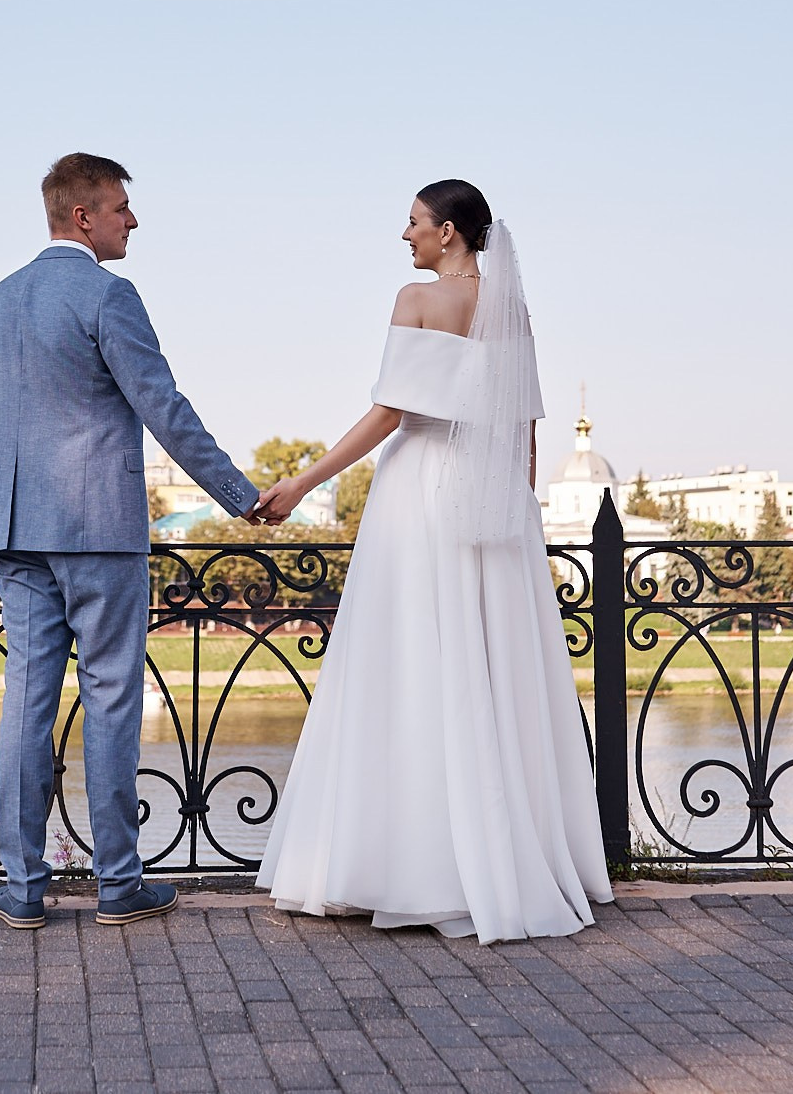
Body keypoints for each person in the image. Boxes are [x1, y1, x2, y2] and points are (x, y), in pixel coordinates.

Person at [251, 180, 613, 942]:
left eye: (414, 221)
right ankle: (506, 858)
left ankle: (396, 861)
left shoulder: (416, 298)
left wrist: (301, 483)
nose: (405, 233)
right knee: (489, 665)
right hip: (494, 494)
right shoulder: (512, 309)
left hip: (419, 490)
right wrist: (517, 508)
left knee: (409, 659)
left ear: (448, 231)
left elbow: (390, 412)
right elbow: (525, 427)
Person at [0, 152, 266, 929]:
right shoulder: (109, 295)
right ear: (83, 216)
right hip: (98, 528)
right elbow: (164, 407)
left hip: (14, 528)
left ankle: (22, 888)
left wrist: (8, 506)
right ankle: (118, 884)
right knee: (109, 698)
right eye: (121, 207)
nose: (132, 219)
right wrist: (239, 494)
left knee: (26, 700)